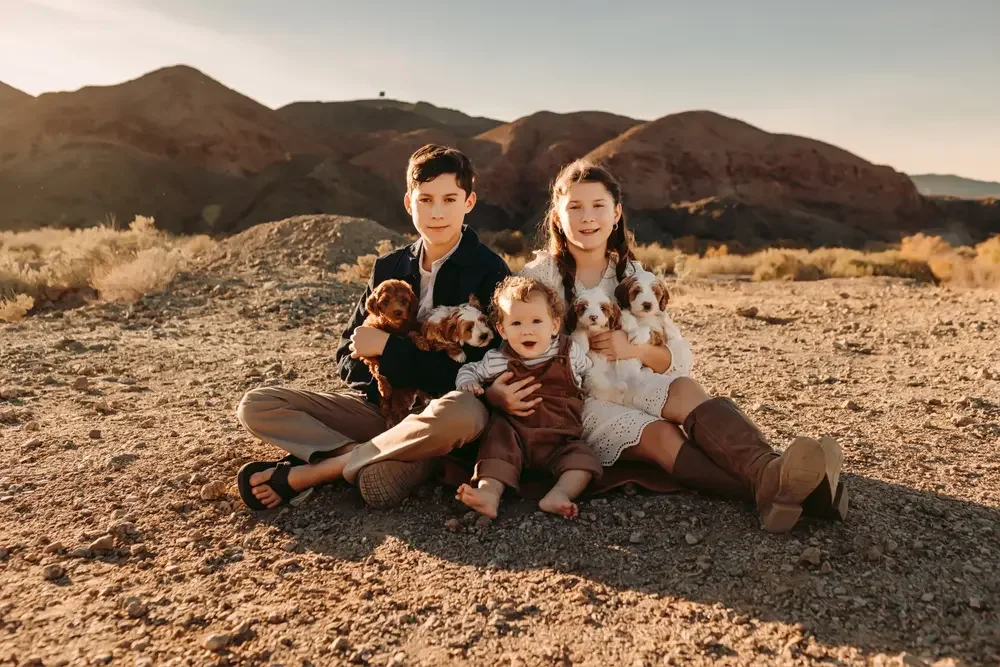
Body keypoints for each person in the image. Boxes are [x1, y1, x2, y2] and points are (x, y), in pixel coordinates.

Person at [513, 159, 847, 533]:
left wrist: (632, 349)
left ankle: (768, 473)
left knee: (686, 389)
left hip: (634, 377)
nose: (587, 217)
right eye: (575, 207)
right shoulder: (539, 278)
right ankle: (799, 489)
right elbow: (514, 342)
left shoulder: (634, 278)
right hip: (581, 400)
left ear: (616, 212)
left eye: (598, 206)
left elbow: (678, 359)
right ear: (557, 216)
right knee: (659, 435)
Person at [235, 144, 508, 509]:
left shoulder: (491, 272)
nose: (437, 212)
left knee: (462, 412)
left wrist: (388, 350)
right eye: (425, 200)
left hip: (447, 413)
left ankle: (317, 471)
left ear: (469, 202)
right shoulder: (389, 267)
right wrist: (382, 382)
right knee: (257, 405)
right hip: (382, 409)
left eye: (449, 199)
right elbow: (347, 353)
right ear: (409, 203)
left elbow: (481, 368)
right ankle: (374, 453)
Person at [453, 276, 603, 519]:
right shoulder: (498, 359)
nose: (527, 330)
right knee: (495, 446)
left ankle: (559, 494)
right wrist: (468, 383)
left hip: (560, 437)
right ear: (502, 329)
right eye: (516, 323)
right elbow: (469, 369)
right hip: (515, 436)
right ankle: (489, 495)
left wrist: (590, 390)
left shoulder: (570, 352)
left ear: (554, 325)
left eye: (536, 321)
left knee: (583, 460)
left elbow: (590, 374)